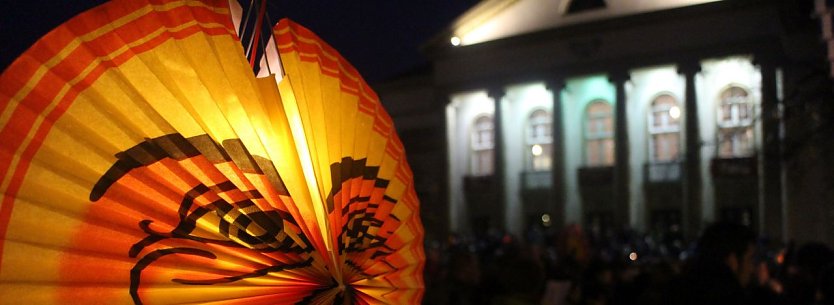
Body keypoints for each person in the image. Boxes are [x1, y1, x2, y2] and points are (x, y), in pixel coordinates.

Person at [666, 222, 756, 305]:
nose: (752, 269)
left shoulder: (676, 292)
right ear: (732, 260)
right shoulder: (732, 297)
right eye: (750, 259)